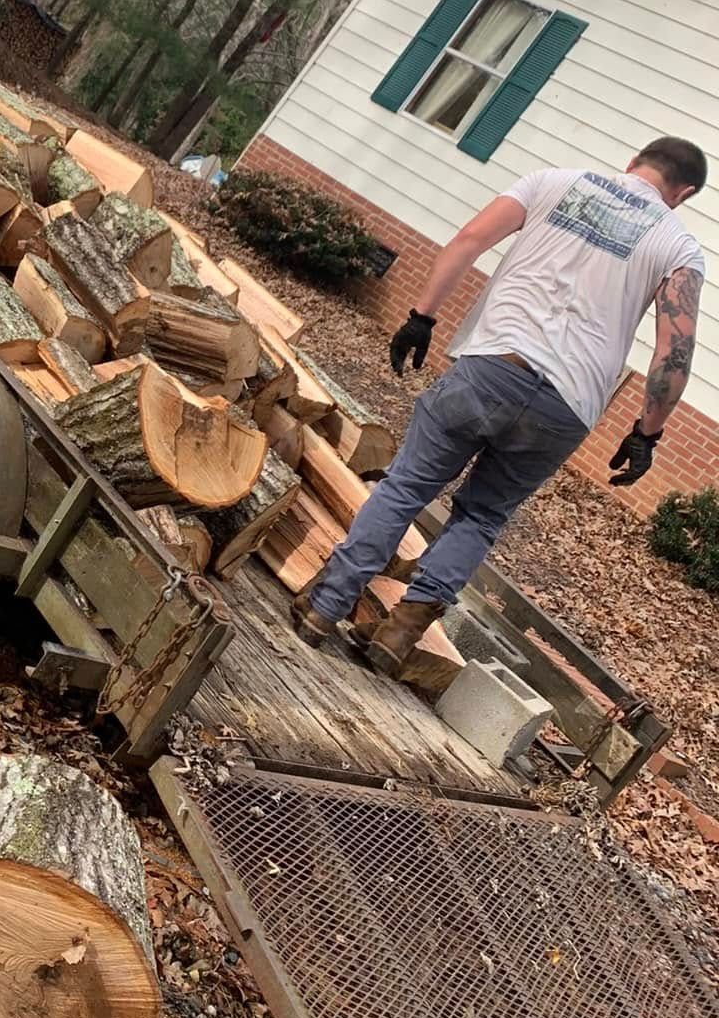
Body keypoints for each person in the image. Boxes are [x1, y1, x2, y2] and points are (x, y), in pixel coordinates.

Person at [293, 138, 707, 677]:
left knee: (406, 487)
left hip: (492, 365)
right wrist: (646, 433)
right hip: (566, 406)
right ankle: (399, 636)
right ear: (685, 192)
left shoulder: (551, 181)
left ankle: (325, 606)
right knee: (482, 515)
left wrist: (422, 316)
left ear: (634, 162)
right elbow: (674, 350)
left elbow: (469, 240)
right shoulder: (678, 246)